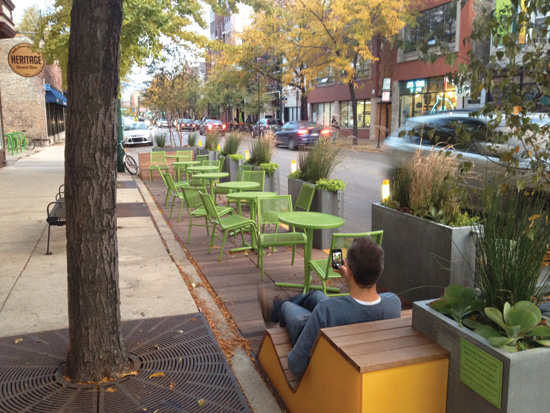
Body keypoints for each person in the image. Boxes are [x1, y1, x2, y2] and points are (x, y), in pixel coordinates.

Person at [258, 237, 401, 379]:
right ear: (380, 270)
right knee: (318, 295)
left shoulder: (326, 310)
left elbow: (295, 366)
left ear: (349, 270)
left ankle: (276, 309)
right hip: (348, 333)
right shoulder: (393, 302)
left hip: (314, 336)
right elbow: (360, 307)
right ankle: (279, 310)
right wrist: (349, 280)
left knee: (287, 306)